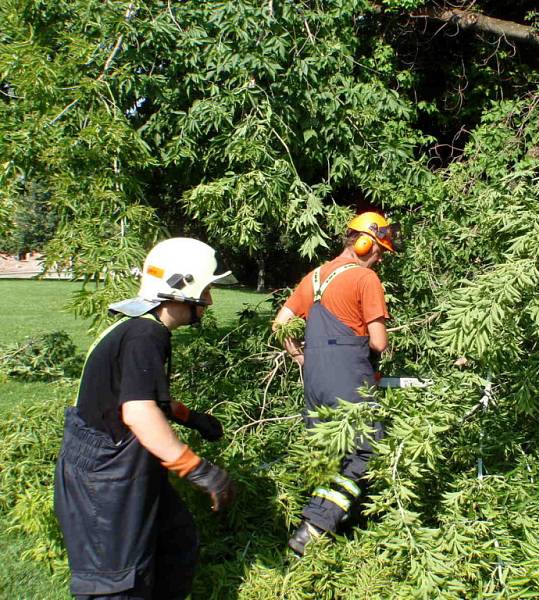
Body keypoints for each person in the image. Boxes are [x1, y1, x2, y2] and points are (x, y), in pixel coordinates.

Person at [54, 237, 235, 600]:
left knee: (175, 542)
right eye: (207, 290)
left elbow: (135, 393)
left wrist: (189, 416)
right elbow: (137, 411)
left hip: (122, 463)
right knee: (118, 584)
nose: (210, 302)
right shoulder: (145, 334)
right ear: (184, 287)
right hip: (105, 477)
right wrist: (196, 468)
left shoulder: (139, 326)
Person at [273, 211, 399, 555]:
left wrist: (302, 358)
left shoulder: (313, 277)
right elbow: (378, 343)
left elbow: (281, 323)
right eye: (380, 252)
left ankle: (338, 526)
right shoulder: (364, 278)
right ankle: (315, 526)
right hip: (347, 377)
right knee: (366, 450)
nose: (380, 259)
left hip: (314, 379)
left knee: (330, 453)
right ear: (365, 243)